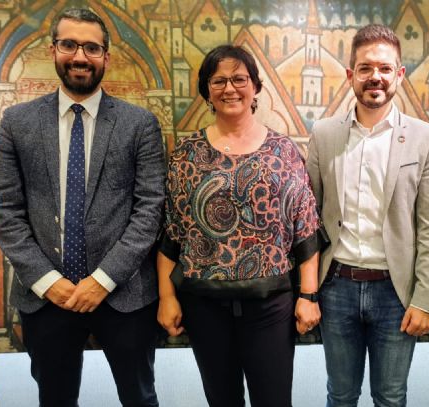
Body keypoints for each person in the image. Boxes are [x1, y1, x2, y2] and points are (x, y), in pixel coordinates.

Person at [0, 8, 165, 407]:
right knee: (55, 398)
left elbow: (149, 211)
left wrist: (101, 280)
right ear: (53, 49)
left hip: (123, 295)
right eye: (69, 44)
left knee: (140, 397)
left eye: (91, 47)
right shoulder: (18, 123)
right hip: (47, 296)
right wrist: (46, 280)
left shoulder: (140, 124)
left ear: (106, 56)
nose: (80, 56)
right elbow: (5, 209)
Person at [156, 44, 323, 407]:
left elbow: (306, 229)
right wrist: (167, 297)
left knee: (274, 400)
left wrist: (308, 296)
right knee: (222, 399)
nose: (229, 88)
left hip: (270, 307)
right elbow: (172, 233)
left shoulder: (284, 151)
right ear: (207, 92)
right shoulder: (186, 155)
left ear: (255, 88)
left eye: (239, 79)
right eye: (219, 81)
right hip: (204, 305)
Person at [306, 24, 429, 407]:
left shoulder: (424, 138)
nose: (375, 77)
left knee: (390, 396)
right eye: (365, 68)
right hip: (337, 288)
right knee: (341, 395)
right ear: (351, 75)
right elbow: (310, 221)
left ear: (399, 74)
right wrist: (307, 292)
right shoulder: (323, 134)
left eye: (385, 68)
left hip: (396, 293)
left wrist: (425, 300)